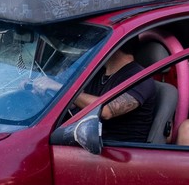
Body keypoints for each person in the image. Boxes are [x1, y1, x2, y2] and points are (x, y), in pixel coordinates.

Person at [28, 44, 156, 142]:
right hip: (86, 142)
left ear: (114, 46)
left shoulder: (141, 78)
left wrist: (61, 88)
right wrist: (42, 88)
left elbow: (106, 110)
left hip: (118, 154)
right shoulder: (98, 72)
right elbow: (77, 102)